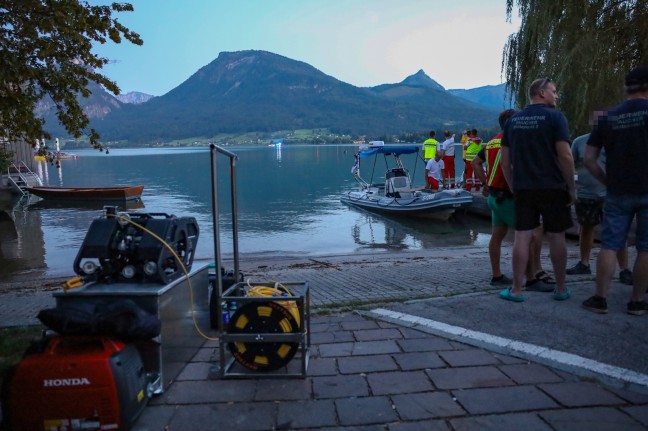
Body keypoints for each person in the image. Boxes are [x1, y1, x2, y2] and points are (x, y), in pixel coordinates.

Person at [499, 78, 575, 302]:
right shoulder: (555, 117)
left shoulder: (513, 121)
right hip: (552, 186)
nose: (557, 96)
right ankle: (560, 289)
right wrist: (571, 188)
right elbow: (565, 155)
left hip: (524, 187)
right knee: (556, 236)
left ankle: (516, 290)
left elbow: (505, 162)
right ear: (541, 93)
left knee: (522, 237)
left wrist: (514, 186)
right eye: (554, 91)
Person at [582, 66, 648, 315]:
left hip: (617, 190)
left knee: (609, 244)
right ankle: (637, 301)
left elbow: (589, 159)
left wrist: (607, 180)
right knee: (646, 248)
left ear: (626, 87)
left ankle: (600, 299)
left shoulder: (608, 118)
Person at [472, 109, 553, 291]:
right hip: (509, 197)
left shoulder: (491, 142)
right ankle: (531, 279)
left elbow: (475, 163)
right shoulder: (513, 141)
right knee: (529, 235)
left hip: (494, 197)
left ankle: (497, 276)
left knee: (497, 235)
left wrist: (486, 183)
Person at [566, 131, 633, 285]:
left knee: (618, 231)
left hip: (610, 195)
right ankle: (584, 264)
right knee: (586, 228)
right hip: (585, 194)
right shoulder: (579, 141)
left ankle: (624, 269)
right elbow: (570, 163)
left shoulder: (615, 140)